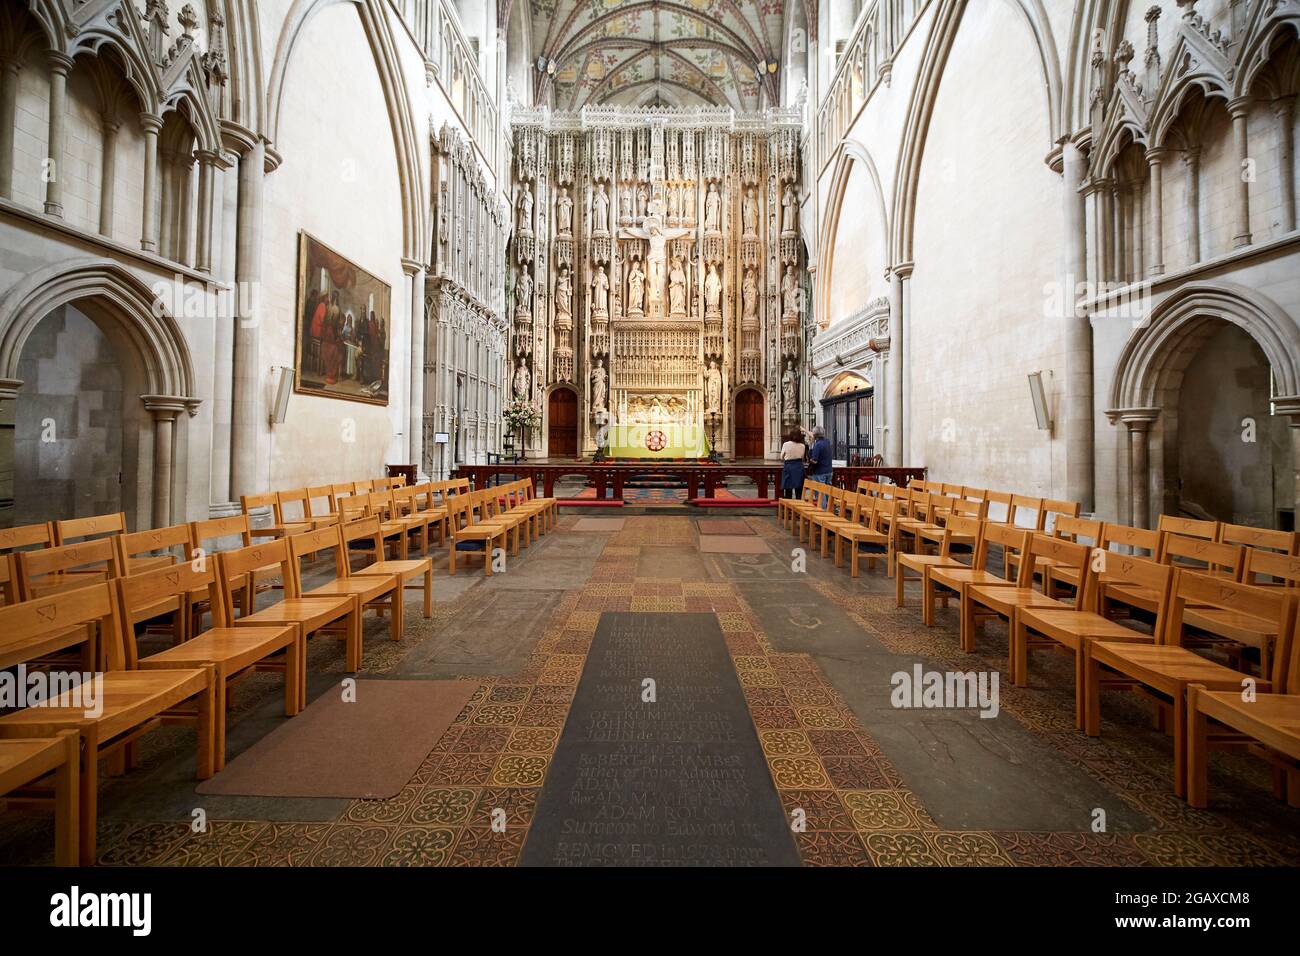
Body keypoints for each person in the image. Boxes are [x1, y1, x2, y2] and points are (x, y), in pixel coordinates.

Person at [780, 428, 807, 500]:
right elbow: (802, 457)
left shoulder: (786, 444)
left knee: (788, 490)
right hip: (798, 467)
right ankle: (798, 507)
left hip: (788, 467)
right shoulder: (802, 446)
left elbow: (781, 457)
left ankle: (788, 508)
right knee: (799, 490)